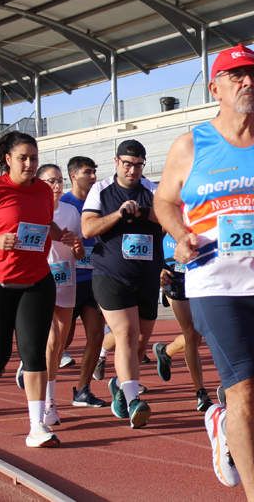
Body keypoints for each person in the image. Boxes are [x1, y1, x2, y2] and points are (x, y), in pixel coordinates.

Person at [154, 43, 254, 501]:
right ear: (216, 87)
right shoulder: (191, 144)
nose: (250, 82)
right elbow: (165, 200)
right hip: (214, 282)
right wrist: (177, 232)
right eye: (238, 75)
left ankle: (221, 422)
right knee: (244, 389)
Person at [0, 130, 71, 448]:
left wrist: (63, 235)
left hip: (35, 280)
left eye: (34, 158)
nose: (30, 164)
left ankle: (36, 427)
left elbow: (45, 225)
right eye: (23, 158)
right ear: (7, 160)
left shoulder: (44, 192)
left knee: (34, 354)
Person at [81, 139, 162, 428]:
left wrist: (143, 212)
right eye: (127, 164)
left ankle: (121, 382)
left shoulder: (152, 190)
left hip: (147, 276)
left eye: (138, 165)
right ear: (117, 162)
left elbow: (171, 219)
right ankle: (133, 400)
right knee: (126, 334)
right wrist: (118, 214)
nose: (132, 170)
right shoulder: (101, 190)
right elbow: (88, 228)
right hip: (111, 273)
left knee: (140, 341)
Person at [37, 163, 85, 425]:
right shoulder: (34, 208)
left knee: (58, 344)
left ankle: (50, 396)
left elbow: (79, 252)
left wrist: (77, 246)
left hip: (66, 279)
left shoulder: (70, 211)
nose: (56, 186)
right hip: (40, 279)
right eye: (49, 181)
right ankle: (46, 401)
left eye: (58, 181)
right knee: (51, 340)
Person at [59, 156, 108, 406]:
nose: (93, 176)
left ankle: (82, 389)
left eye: (94, 171)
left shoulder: (99, 201)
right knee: (62, 340)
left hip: (92, 277)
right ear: (73, 175)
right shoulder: (64, 204)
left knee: (96, 334)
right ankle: (33, 369)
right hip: (67, 279)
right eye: (87, 172)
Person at [153, 233, 213, 412]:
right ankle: (200, 392)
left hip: (201, 273)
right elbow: (151, 235)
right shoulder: (168, 209)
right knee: (191, 333)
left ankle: (166, 351)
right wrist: (159, 269)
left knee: (200, 331)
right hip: (174, 275)